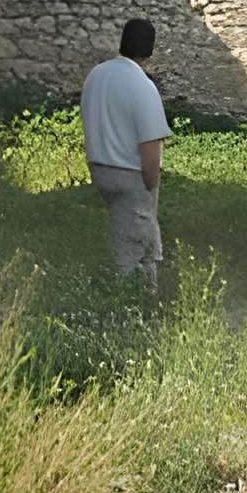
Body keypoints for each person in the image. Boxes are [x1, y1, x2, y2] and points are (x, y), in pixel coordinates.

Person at [82, 18, 170, 291]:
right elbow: (150, 144)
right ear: (150, 49)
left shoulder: (97, 74)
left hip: (99, 167)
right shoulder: (142, 86)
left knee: (122, 228)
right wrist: (150, 186)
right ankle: (138, 297)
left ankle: (124, 287)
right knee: (139, 241)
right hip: (129, 173)